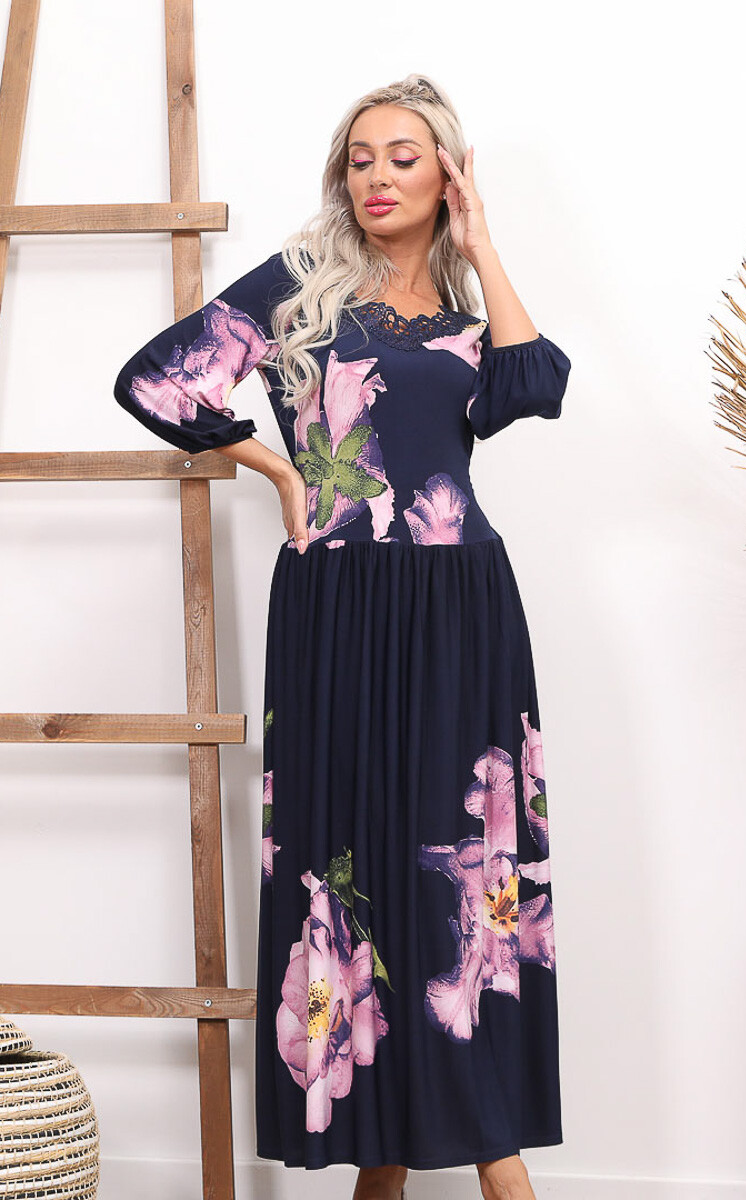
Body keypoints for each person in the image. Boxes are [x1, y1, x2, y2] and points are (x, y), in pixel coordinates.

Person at [114, 72, 571, 1200]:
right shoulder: (298, 289)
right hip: (337, 604)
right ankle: (390, 1161)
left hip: (460, 607)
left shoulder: (466, 320)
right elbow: (155, 382)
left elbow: (533, 386)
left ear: (446, 174)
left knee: (463, 866)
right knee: (349, 855)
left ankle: (484, 1153)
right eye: (360, 158)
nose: (376, 176)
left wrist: (479, 239)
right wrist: (274, 468)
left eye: (404, 157)